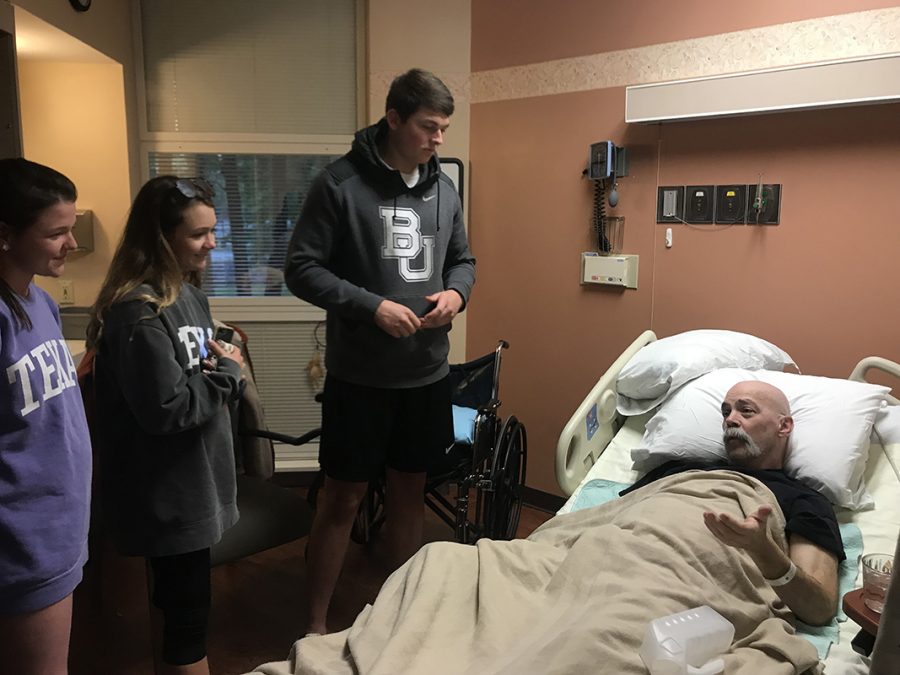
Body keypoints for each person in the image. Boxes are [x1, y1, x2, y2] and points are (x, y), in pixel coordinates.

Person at [283, 68, 476, 635]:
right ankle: (315, 622)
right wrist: (371, 306)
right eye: (428, 127)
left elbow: (464, 259)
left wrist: (456, 295)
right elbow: (301, 269)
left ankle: (400, 617)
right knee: (342, 498)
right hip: (360, 378)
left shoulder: (445, 189)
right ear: (393, 119)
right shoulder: (340, 184)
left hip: (425, 374)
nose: (438, 139)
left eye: (444, 128)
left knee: (410, 492)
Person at [86, 176, 244, 675]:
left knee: (179, 611)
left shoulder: (187, 295)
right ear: (161, 237)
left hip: (194, 482)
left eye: (213, 231)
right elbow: (168, 409)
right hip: (168, 494)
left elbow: (192, 374)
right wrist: (231, 376)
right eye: (199, 235)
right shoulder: (137, 310)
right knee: (187, 622)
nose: (212, 244)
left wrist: (219, 365)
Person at [621, 380, 842, 626]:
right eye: (726, 412)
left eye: (746, 411)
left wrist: (762, 549)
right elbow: (612, 517)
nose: (730, 420)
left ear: (784, 426)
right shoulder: (678, 470)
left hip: (684, 597)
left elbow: (819, 609)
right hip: (620, 563)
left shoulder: (805, 500)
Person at [0, 158, 92, 674]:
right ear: (5, 235)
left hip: (60, 527)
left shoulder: (39, 301)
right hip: (22, 541)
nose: (72, 245)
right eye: (57, 233)